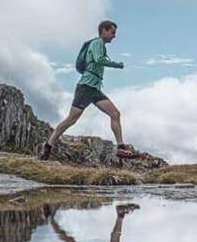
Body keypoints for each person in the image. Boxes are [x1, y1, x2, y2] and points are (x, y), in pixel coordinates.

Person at [41, 20, 139, 159]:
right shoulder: (97, 43)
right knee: (71, 119)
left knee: (115, 114)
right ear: (104, 31)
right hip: (86, 87)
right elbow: (99, 59)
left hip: (94, 89)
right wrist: (117, 65)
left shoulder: (100, 44)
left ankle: (121, 148)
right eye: (112, 32)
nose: (114, 36)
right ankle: (48, 146)